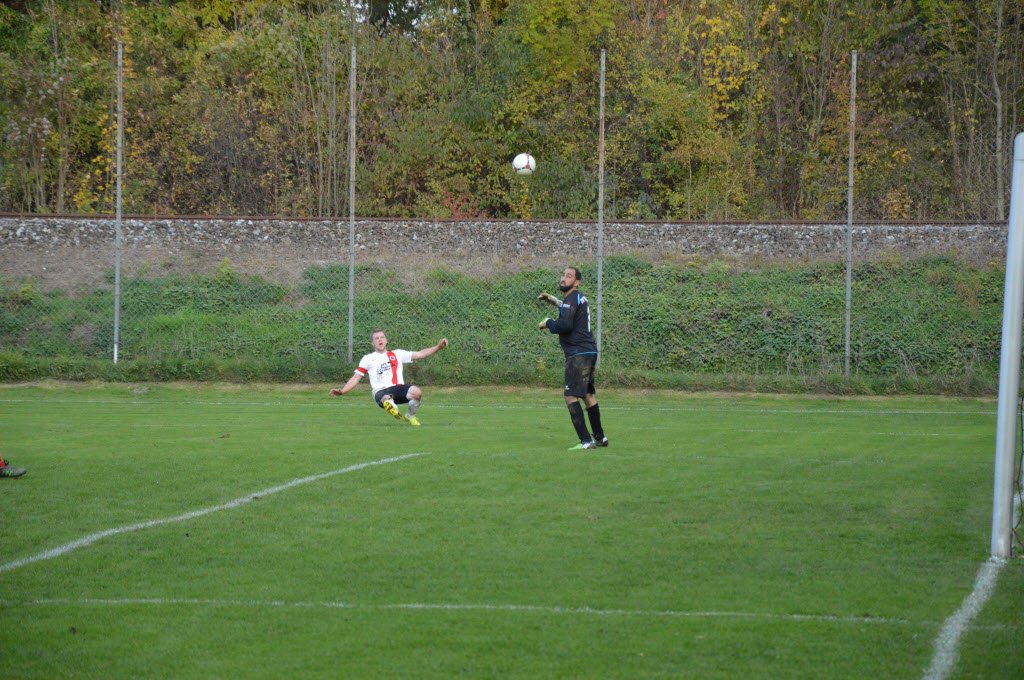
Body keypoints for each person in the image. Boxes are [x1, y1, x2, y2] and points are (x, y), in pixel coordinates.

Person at [538, 266, 608, 450]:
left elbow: (566, 325)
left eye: (569, 276)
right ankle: (600, 437)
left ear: (577, 282)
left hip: (578, 353)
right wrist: (555, 301)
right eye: (563, 275)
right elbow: (571, 311)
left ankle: (586, 441)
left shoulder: (572, 298)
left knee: (570, 396)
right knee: (588, 395)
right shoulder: (577, 298)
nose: (564, 278)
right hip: (588, 351)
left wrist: (549, 323)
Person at [330, 329, 448, 426]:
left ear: (386, 340)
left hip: (398, 388)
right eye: (376, 338)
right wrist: (343, 391)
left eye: (382, 337)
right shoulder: (367, 358)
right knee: (386, 399)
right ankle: (391, 407)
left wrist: (438, 347)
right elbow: (356, 378)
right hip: (380, 391)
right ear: (373, 343)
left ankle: (410, 416)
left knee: (417, 392)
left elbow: (421, 354)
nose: (380, 339)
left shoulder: (397, 354)